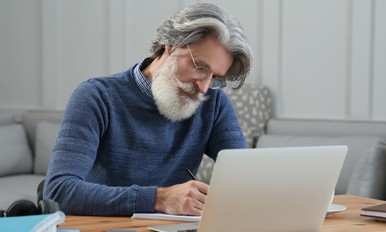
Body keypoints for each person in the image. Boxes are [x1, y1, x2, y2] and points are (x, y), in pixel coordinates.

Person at [43, 2, 252, 216]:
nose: (204, 87)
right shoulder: (96, 97)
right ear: (170, 45)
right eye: (200, 67)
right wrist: (160, 199)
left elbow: (246, 177)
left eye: (215, 77)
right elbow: (58, 192)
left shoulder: (213, 102)